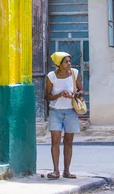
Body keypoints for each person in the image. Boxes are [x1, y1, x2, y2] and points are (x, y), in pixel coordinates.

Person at [45, 51, 84, 179]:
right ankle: (55, 170)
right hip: (55, 111)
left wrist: (75, 94)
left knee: (68, 141)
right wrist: (60, 94)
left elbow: (81, 90)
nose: (69, 64)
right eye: (66, 62)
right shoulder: (51, 76)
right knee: (55, 140)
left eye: (69, 61)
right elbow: (47, 96)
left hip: (71, 111)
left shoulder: (75, 73)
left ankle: (66, 170)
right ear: (59, 64)